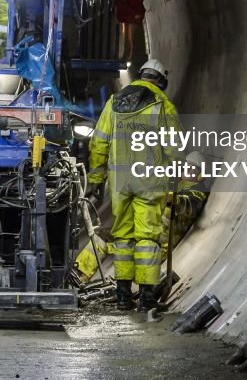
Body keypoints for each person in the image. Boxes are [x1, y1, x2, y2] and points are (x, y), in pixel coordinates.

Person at [87, 59, 177, 312]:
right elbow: (172, 147)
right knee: (147, 237)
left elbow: (99, 142)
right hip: (149, 180)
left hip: (120, 182)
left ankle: (123, 296)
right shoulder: (163, 105)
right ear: (161, 81)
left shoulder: (115, 102)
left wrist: (96, 179)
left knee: (123, 237)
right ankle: (147, 298)